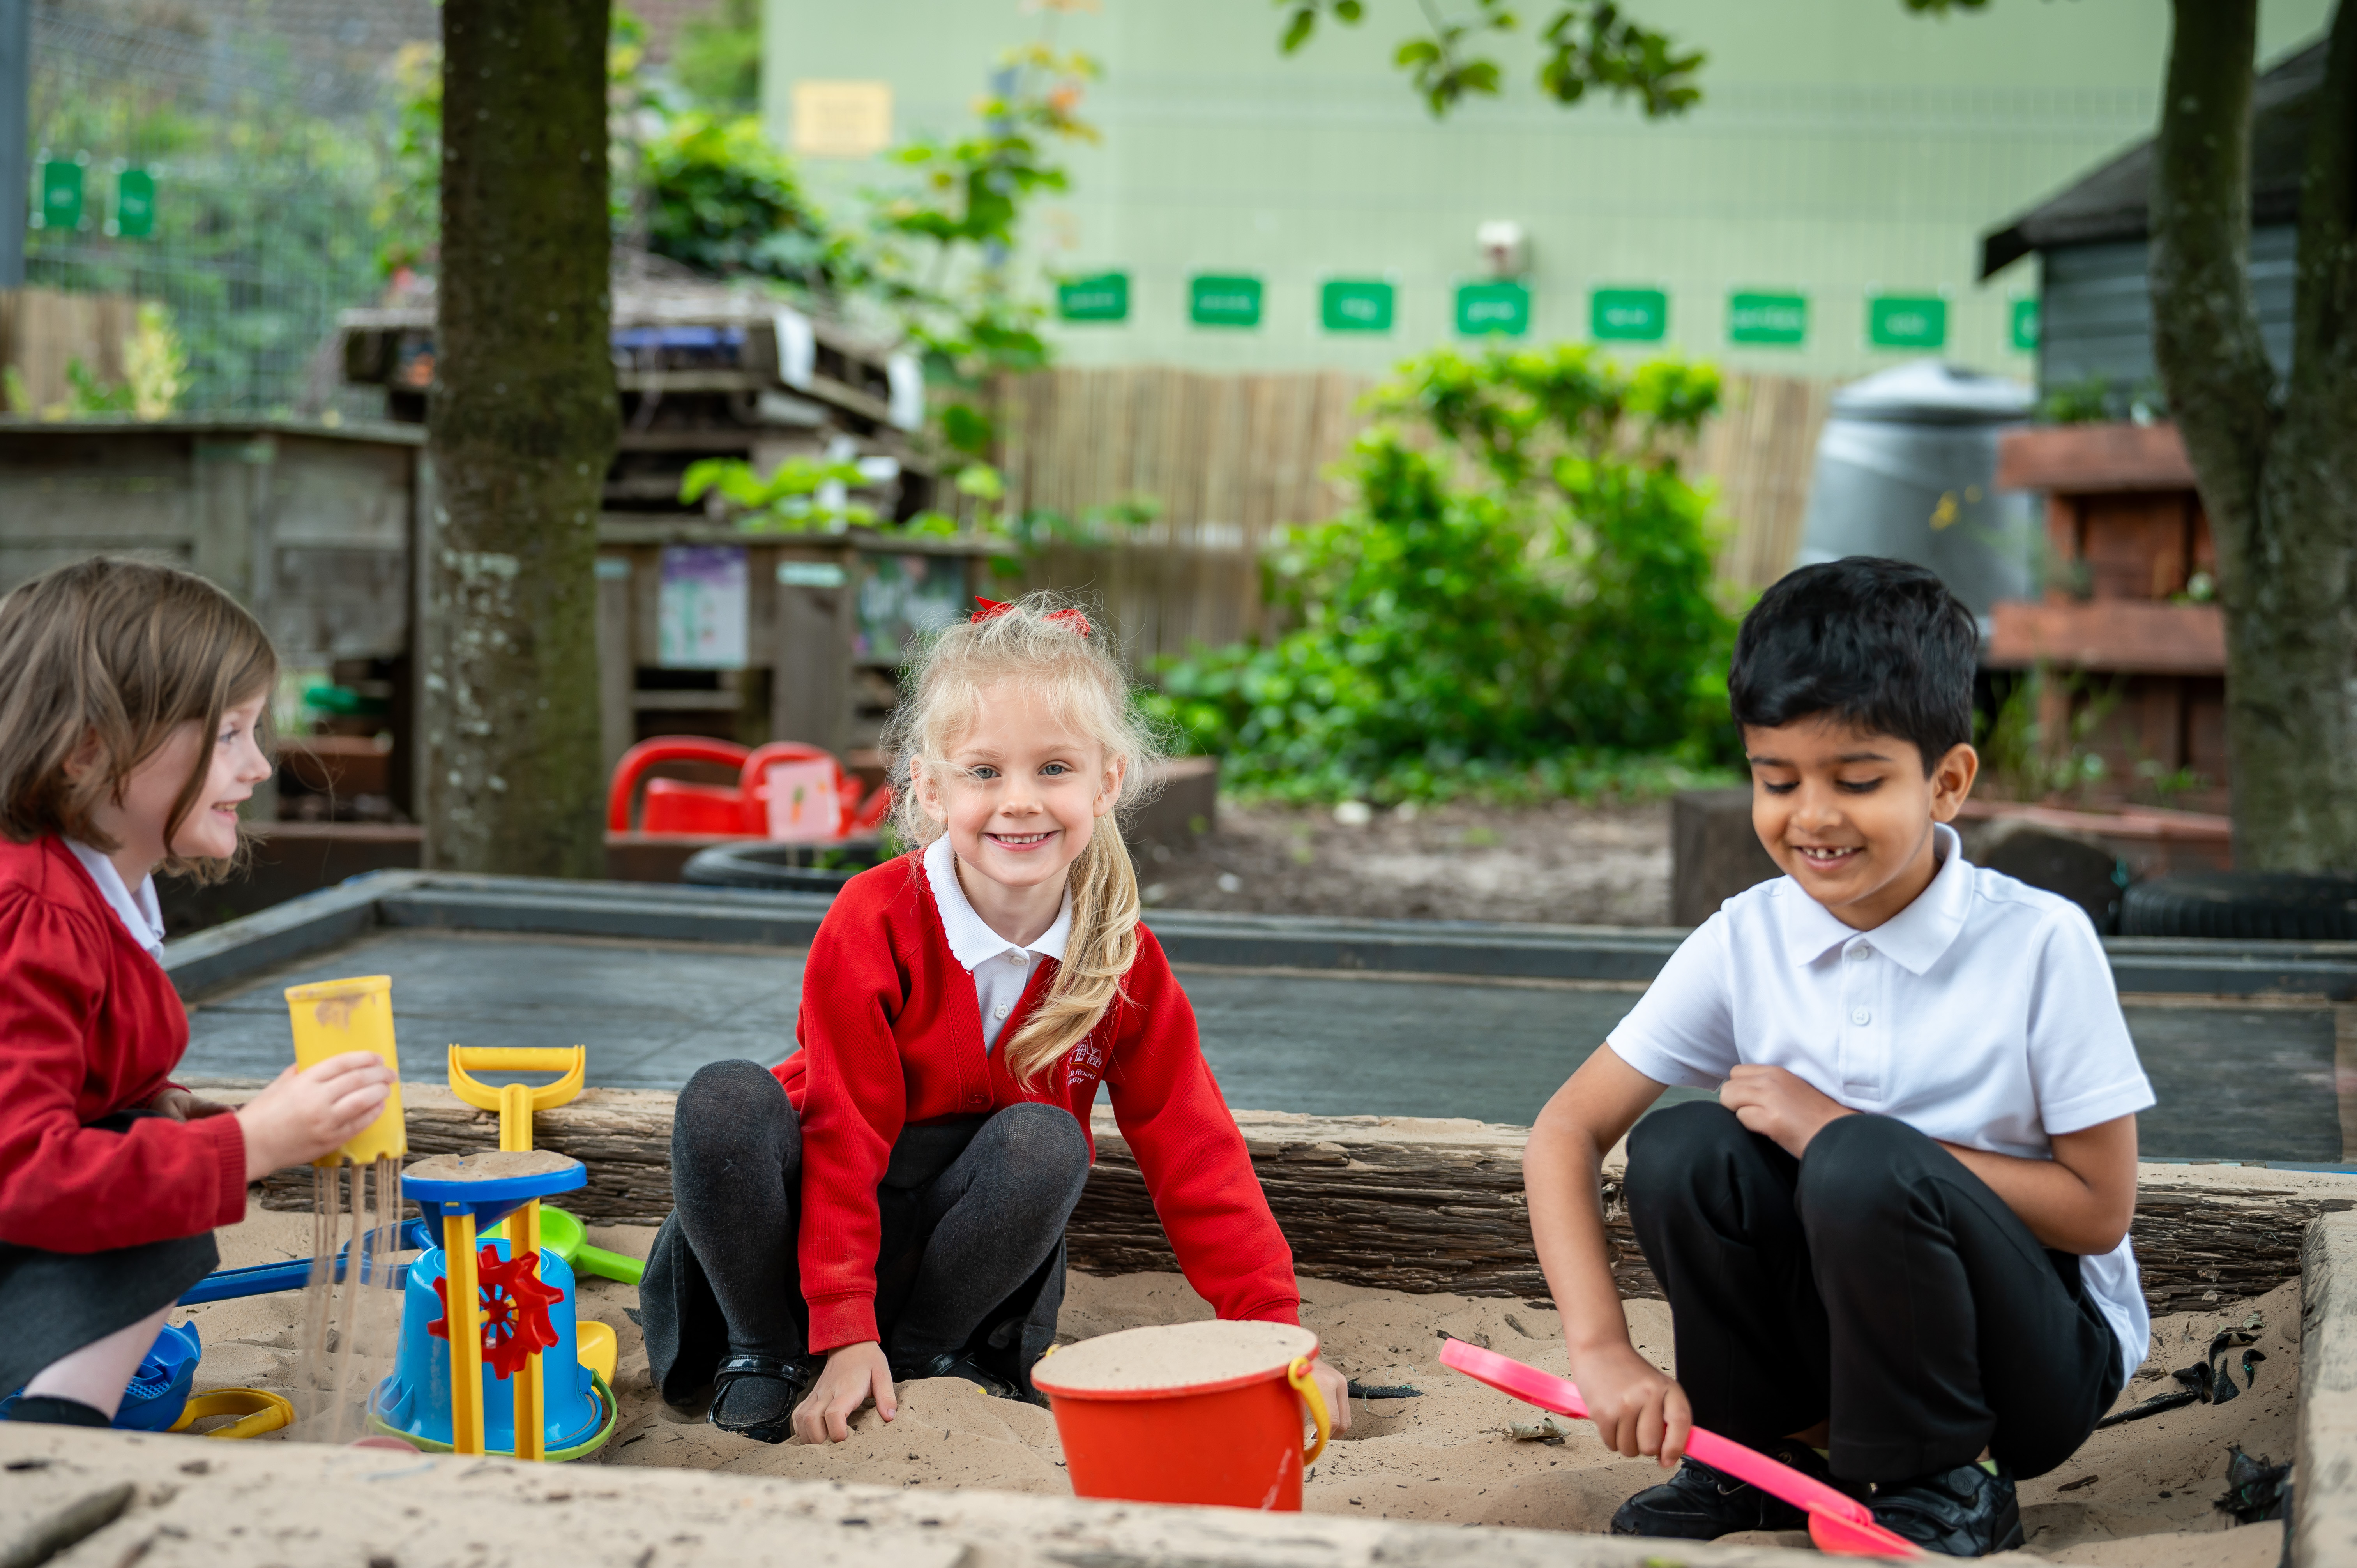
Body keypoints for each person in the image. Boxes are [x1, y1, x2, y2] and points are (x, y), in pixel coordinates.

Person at [1523, 558, 2152, 1557]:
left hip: (2033, 1364)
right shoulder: (1748, 936)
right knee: (1687, 1150)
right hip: (1839, 1341)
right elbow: (1567, 1129)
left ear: (1948, 781)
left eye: (1857, 781)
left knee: (1860, 1158)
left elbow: (2098, 1209)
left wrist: (1835, 1128)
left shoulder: (2039, 943)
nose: (1811, 815)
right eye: (1777, 779)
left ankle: (1943, 1477)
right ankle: (1755, 1455)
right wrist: (1601, 1348)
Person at [642, 592, 1351, 1445]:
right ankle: (763, 1353)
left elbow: (1192, 1144)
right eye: (984, 772)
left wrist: (1273, 1330)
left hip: (953, 1260)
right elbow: (844, 1133)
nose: (1020, 801)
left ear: (1108, 780)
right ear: (930, 787)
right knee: (724, 1096)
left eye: (1054, 768)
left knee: (1045, 1141)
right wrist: (842, 1326)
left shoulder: (1119, 954)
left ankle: (928, 1358)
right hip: (805, 1241)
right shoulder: (872, 917)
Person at [0, 557, 395, 1427]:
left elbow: (81, 1069)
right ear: (90, 749)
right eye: (227, 735)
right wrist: (249, 1143)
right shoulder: (33, 914)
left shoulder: (89, 892)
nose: (258, 766)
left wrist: (171, 1108)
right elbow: (21, 1171)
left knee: (158, 1148)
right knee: (162, 1188)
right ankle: (52, 1435)